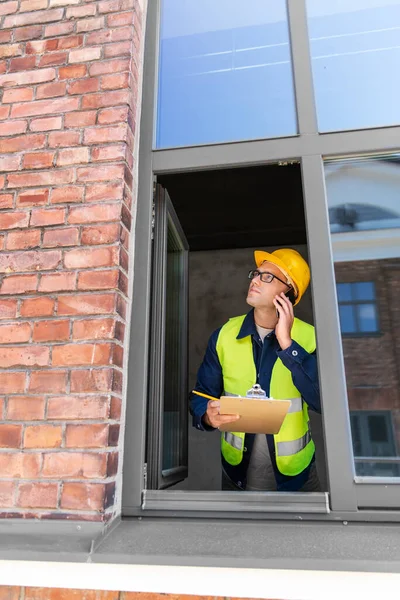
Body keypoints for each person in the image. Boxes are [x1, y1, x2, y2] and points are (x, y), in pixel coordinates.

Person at [190, 248, 321, 492]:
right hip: (236, 474)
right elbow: (201, 395)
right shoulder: (224, 336)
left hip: (297, 475)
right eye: (256, 274)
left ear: (288, 293)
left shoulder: (311, 338)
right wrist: (207, 415)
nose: (255, 280)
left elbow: (322, 402)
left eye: (268, 277)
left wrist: (288, 345)